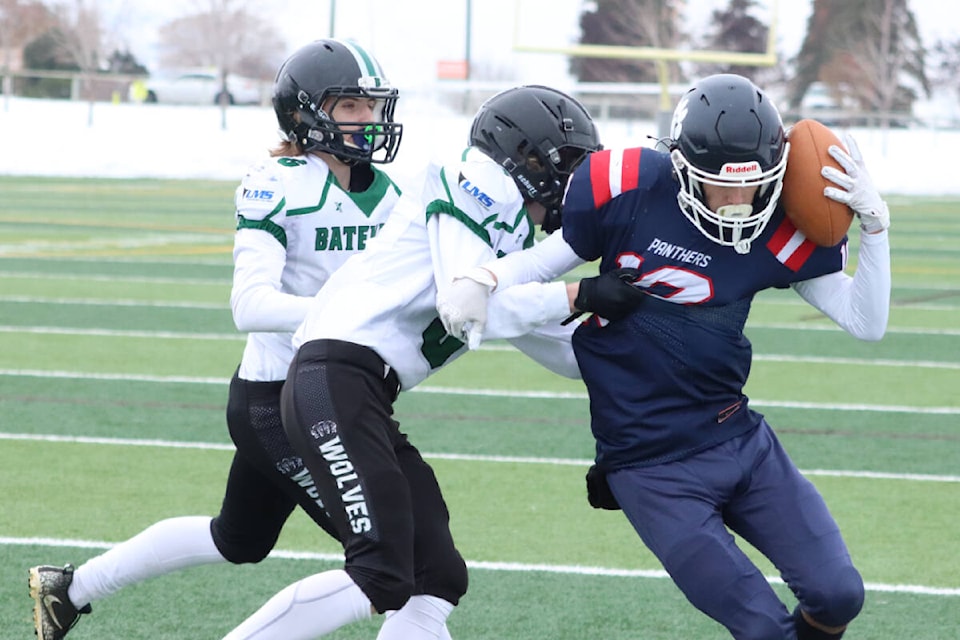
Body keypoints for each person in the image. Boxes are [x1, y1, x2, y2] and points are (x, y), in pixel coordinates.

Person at [438, 73, 891, 640]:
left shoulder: (779, 228)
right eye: (717, 185)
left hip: (740, 439)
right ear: (680, 168)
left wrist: (875, 231)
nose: (736, 203)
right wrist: (482, 275)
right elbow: (539, 264)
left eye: (753, 187)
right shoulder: (629, 190)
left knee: (839, 594)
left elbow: (866, 323)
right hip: (650, 466)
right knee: (764, 630)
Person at [27, 37, 425, 640]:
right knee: (396, 565)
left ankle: (69, 589)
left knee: (237, 538)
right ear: (305, 113)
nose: (368, 121)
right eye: (350, 108)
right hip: (280, 404)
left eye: (372, 107)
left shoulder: (390, 194)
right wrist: (344, 313)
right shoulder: (277, 182)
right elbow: (250, 303)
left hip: (332, 400)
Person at [217, 84, 648, 640]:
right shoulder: (478, 179)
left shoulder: (510, 230)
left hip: (361, 389)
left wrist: (641, 356)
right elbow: (463, 304)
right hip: (336, 375)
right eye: (562, 163)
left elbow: (551, 342)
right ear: (524, 155)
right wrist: (578, 296)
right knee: (380, 572)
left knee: (436, 576)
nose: (571, 180)